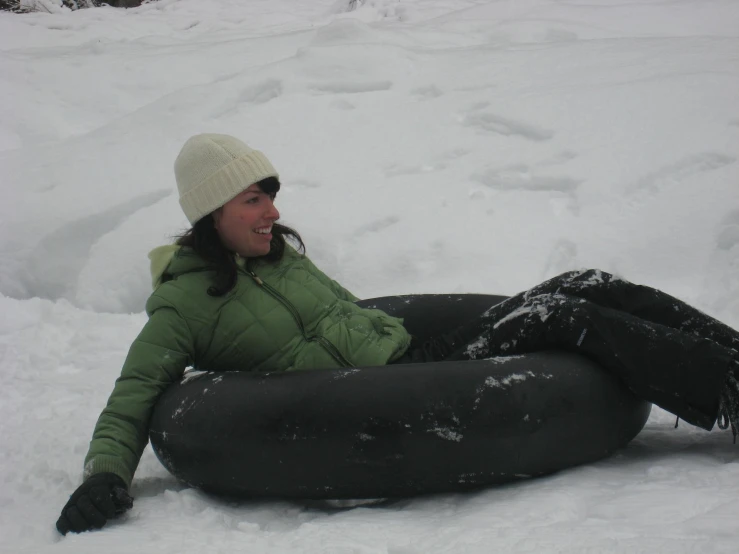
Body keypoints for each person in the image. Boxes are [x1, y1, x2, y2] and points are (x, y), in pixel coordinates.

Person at [56, 133, 739, 535]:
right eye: (254, 198)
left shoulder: (279, 259)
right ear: (212, 212)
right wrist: (105, 474)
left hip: (414, 352)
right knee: (561, 317)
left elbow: (350, 316)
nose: (273, 210)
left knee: (581, 283)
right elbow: (136, 390)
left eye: (270, 193)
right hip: (384, 385)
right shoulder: (183, 307)